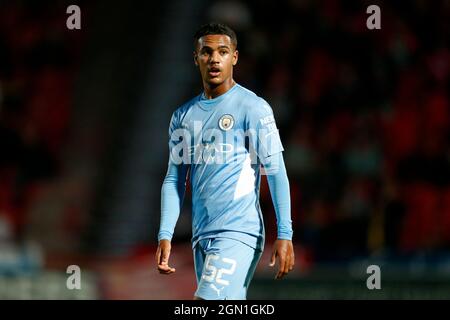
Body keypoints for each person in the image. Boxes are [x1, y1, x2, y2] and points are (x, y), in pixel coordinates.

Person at [155, 23, 294, 300]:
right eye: (206, 52)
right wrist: (165, 233)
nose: (214, 58)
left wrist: (285, 233)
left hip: (238, 231)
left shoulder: (252, 108)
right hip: (201, 236)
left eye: (223, 51)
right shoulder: (183, 117)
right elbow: (174, 179)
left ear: (235, 57)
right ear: (196, 58)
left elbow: (276, 171)